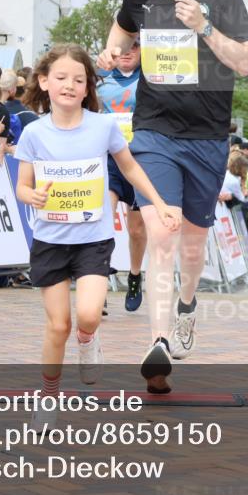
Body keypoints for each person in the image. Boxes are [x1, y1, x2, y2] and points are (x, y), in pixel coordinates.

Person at [96, 0, 248, 392]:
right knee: (163, 234)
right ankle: (159, 343)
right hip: (154, 133)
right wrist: (113, 51)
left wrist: (203, 26)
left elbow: (244, 63)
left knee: (191, 244)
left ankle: (187, 306)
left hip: (206, 137)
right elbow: (120, 33)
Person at [14, 44, 180, 426]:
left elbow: (131, 168)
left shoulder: (103, 126)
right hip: (50, 241)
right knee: (58, 326)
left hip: (93, 239)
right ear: (44, 82)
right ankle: (49, 397)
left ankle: (88, 341)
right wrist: (32, 194)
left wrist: (159, 202)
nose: (69, 85)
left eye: (78, 79)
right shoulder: (34, 133)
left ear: (88, 86)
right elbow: (22, 186)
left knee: (87, 316)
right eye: (61, 78)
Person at [96, 40, 148, 312]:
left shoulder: (151, 79)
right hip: (110, 161)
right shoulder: (99, 80)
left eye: (135, 46)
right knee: (104, 218)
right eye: (123, 46)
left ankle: (135, 275)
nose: (128, 51)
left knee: (137, 229)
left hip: (140, 161)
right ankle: (98, 284)